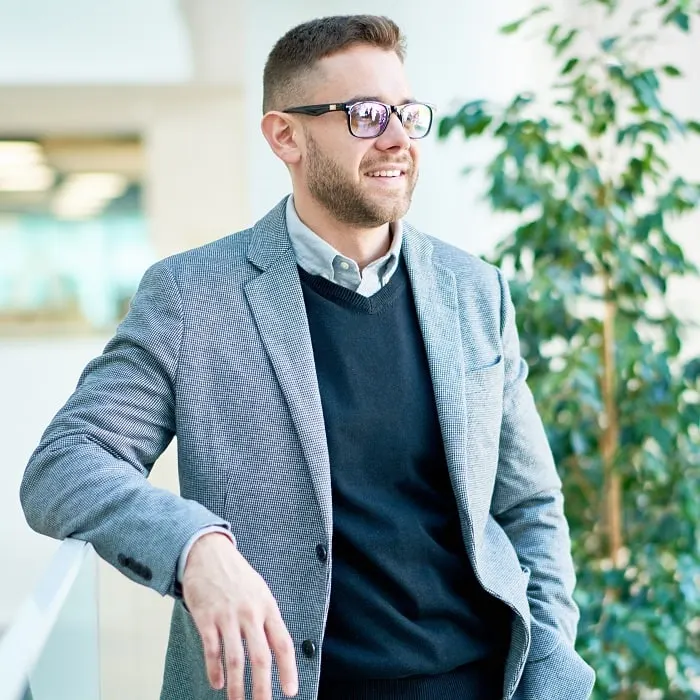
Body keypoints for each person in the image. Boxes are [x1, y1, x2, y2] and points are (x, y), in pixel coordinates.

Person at [20, 14, 595, 700]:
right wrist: (196, 547)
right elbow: (65, 462)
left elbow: (529, 503)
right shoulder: (192, 297)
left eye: (407, 113)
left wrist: (551, 660)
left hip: (477, 681)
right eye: (365, 114)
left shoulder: (474, 291)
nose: (397, 139)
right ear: (284, 135)